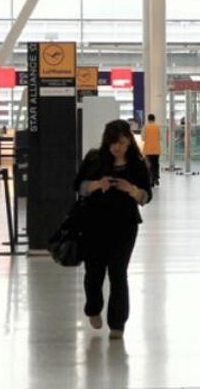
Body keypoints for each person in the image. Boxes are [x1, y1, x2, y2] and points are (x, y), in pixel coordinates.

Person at [73, 120, 153, 339]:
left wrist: (133, 190)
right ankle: (93, 307)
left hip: (125, 226)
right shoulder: (94, 159)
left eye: (121, 143)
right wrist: (98, 184)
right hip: (94, 225)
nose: (117, 148)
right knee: (94, 272)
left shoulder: (137, 164)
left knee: (118, 273)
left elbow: (147, 196)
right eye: (112, 143)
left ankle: (118, 324)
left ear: (129, 140)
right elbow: (78, 186)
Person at [141, 114, 161, 186]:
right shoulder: (157, 127)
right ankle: (156, 178)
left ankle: (151, 181)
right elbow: (160, 137)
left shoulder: (145, 127)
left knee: (149, 165)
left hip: (148, 149)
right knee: (156, 164)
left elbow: (142, 138)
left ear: (148, 119)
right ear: (154, 119)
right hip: (156, 149)